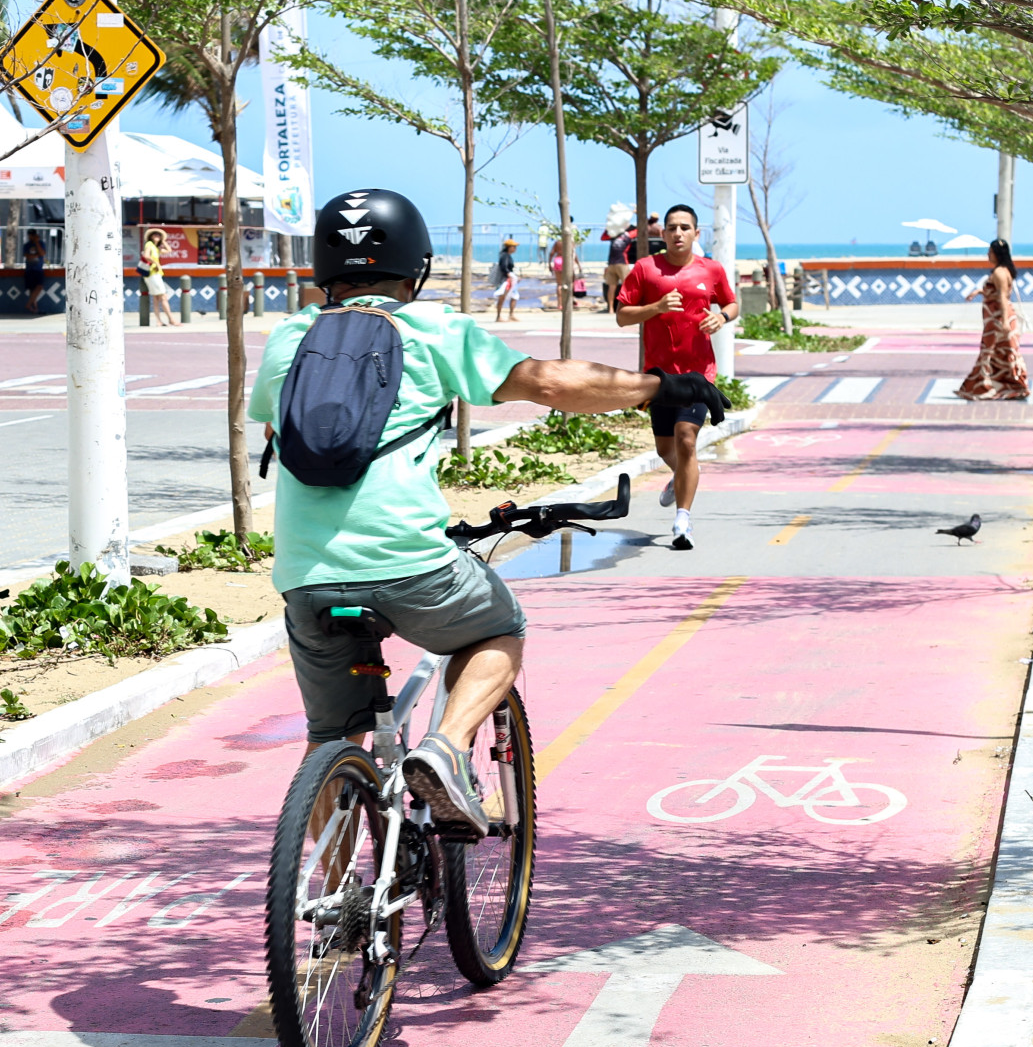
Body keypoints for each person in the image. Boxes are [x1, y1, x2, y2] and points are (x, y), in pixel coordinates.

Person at [251, 189, 728, 835]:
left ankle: (333, 923)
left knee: (333, 736)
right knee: (499, 628)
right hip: (407, 564)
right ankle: (444, 749)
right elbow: (551, 382)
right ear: (414, 265)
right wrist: (660, 385)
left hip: (306, 575)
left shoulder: (287, 340)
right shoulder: (430, 329)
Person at [614, 203, 738, 551]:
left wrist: (722, 319)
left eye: (685, 227)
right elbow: (622, 316)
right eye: (672, 227)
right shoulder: (645, 269)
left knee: (687, 440)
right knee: (666, 448)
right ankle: (679, 477)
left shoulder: (711, 269)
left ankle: (682, 521)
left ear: (696, 234)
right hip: (658, 377)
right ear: (662, 234)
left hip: (699, 375)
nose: (678, 233)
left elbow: (731, 303)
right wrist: (655, 308)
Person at [957, 238, 1031, 401]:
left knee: (992, 351)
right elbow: (996, 293)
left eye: (990, 252)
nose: (988, 255)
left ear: (997, 254)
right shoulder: (1005, 271)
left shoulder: (999, 273)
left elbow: (1003, 297)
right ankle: (1003, 384)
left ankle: (988, 386)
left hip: (998, 319)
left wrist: (1004, 321)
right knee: (1000, 352)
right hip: (997, 319)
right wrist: (979, 291)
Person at [141, 230, 179, 327]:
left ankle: (159, 321)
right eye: (155, 234)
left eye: (159, 235)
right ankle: (171, 319)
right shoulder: (149, 244)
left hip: (155, 274)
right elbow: (146, 255)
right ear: (151, 236)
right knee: (163, 297)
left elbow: (169, 250)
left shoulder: (156, 248)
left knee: (156, 298)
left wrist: (163, 241)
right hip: (152, 274)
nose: (156, 236)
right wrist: (156, 263)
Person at [602, 218, 636, 314]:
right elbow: (638, 230)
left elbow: (603, 237)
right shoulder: (627, 235)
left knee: (612, 287)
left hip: (612, 263)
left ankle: (611, 309)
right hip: (621, 263)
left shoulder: (613, 235)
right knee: (627, 286)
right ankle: (622, 307)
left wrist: (609, 227)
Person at [491, 237, 520, 323]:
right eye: (514, 247)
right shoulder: (504, 256)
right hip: (505, 280)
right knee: (502, 297)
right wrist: (510, 276)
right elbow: (503, 267)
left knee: (514, 296)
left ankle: (511, 315)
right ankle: (498, 316)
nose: (515, 249)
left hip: (510, 278)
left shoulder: (507, 256)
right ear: (509, 247)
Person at [22, 232, 46, 313]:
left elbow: (42, 253)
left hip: (38, 269)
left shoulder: (41, 243)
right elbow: (27, 256)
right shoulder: (27, 245)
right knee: (32, 289)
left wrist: (37, 243)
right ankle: (34, 307)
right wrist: (36, 255)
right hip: (29, 269)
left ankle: (29, 304)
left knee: (39, 286)